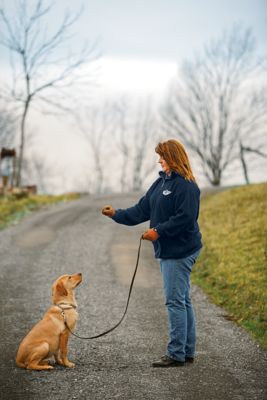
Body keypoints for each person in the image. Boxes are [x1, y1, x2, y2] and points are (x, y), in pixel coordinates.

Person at [102, 139, 202, 368]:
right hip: (169, 249)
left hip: (180, 251)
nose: (160, 160)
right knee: (183, 300)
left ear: (173, 158)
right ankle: (186, 351)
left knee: (175, 301)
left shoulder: (186, 186)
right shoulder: (160, 182)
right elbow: (142, 210)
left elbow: (185, 219)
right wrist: (116, 214)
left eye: (163, 157)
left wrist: (157, 231)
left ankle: (176, 354)